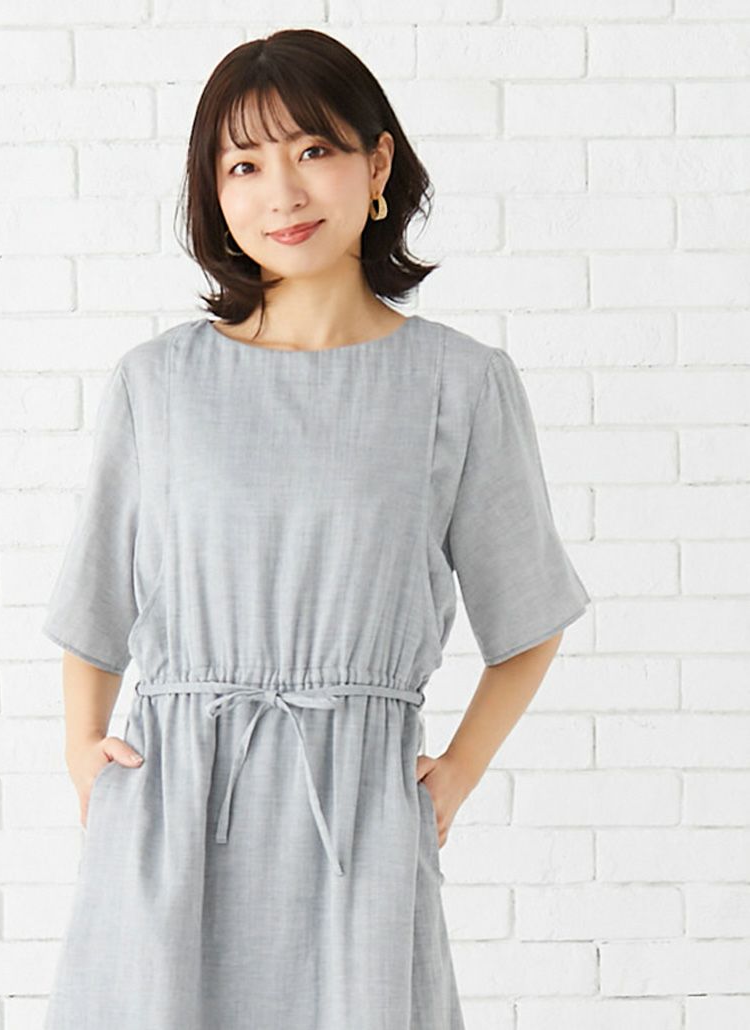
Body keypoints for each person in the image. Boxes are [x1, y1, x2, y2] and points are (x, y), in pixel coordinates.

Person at [40, 27, 591, 1030]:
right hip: (171, 812)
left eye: (313, 150)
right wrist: (84, 751)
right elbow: (95, 602)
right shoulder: (157, 383)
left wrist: (456, 774)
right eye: (244, 165)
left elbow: (529, 613)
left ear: (376, 165)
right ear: (214, 193)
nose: (282, 193)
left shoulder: (459, 384)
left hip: (357, 818)